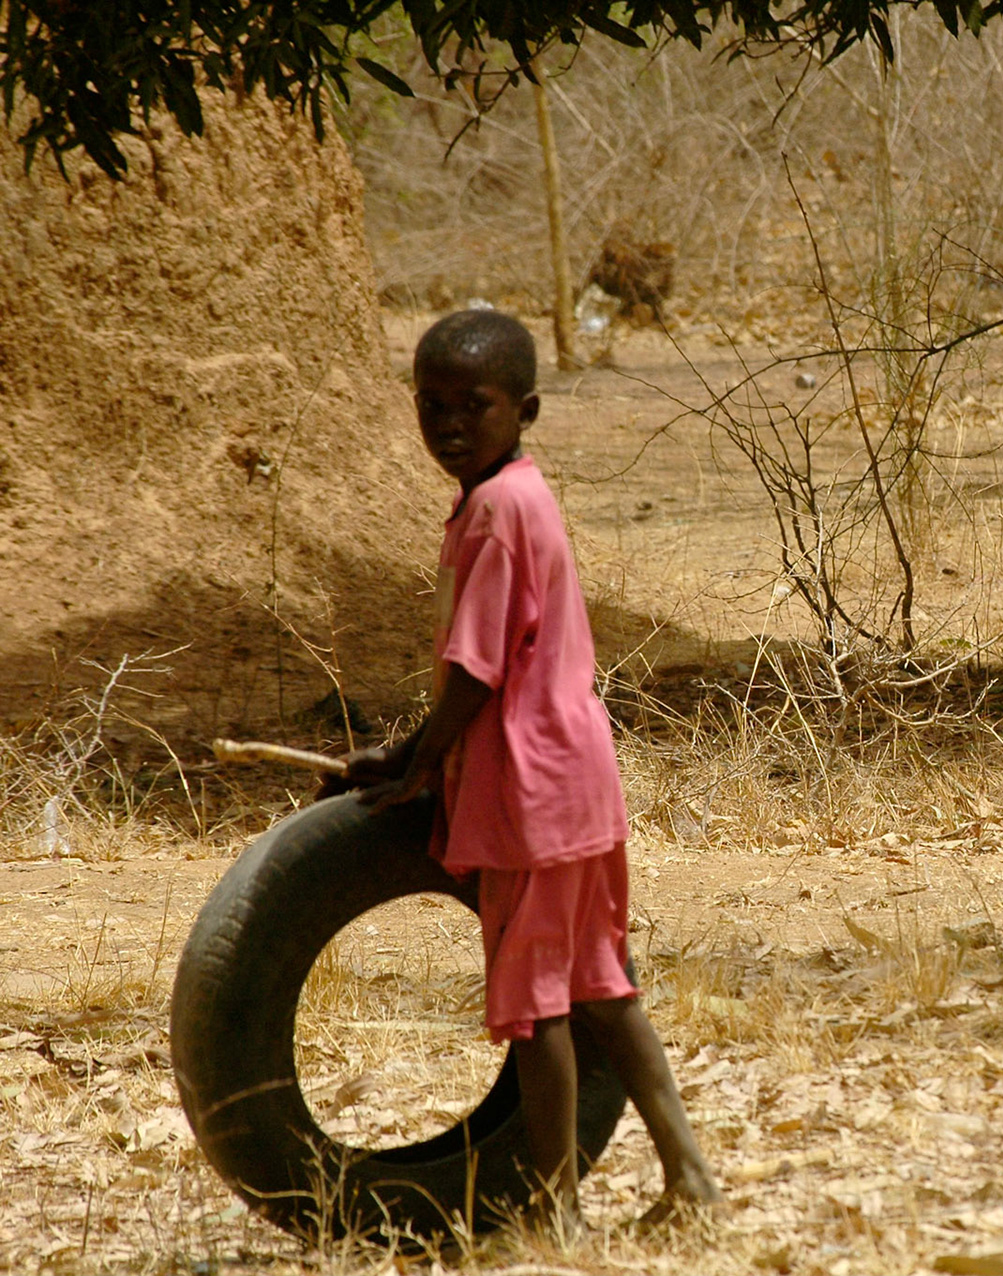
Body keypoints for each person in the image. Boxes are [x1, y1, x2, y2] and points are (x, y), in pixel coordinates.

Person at [329, 308, 720, 1226]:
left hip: (533, 794)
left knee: (540, 1005)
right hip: (573, 779)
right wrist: (418, 756)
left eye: (475, 405)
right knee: (601, 988)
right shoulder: (510, 496)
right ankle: (690, 1180)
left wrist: (416, 758)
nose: (450, 425)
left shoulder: (499, 511)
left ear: (525, 410)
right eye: (432, 406)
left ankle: (557, 1212)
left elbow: (477, 669)